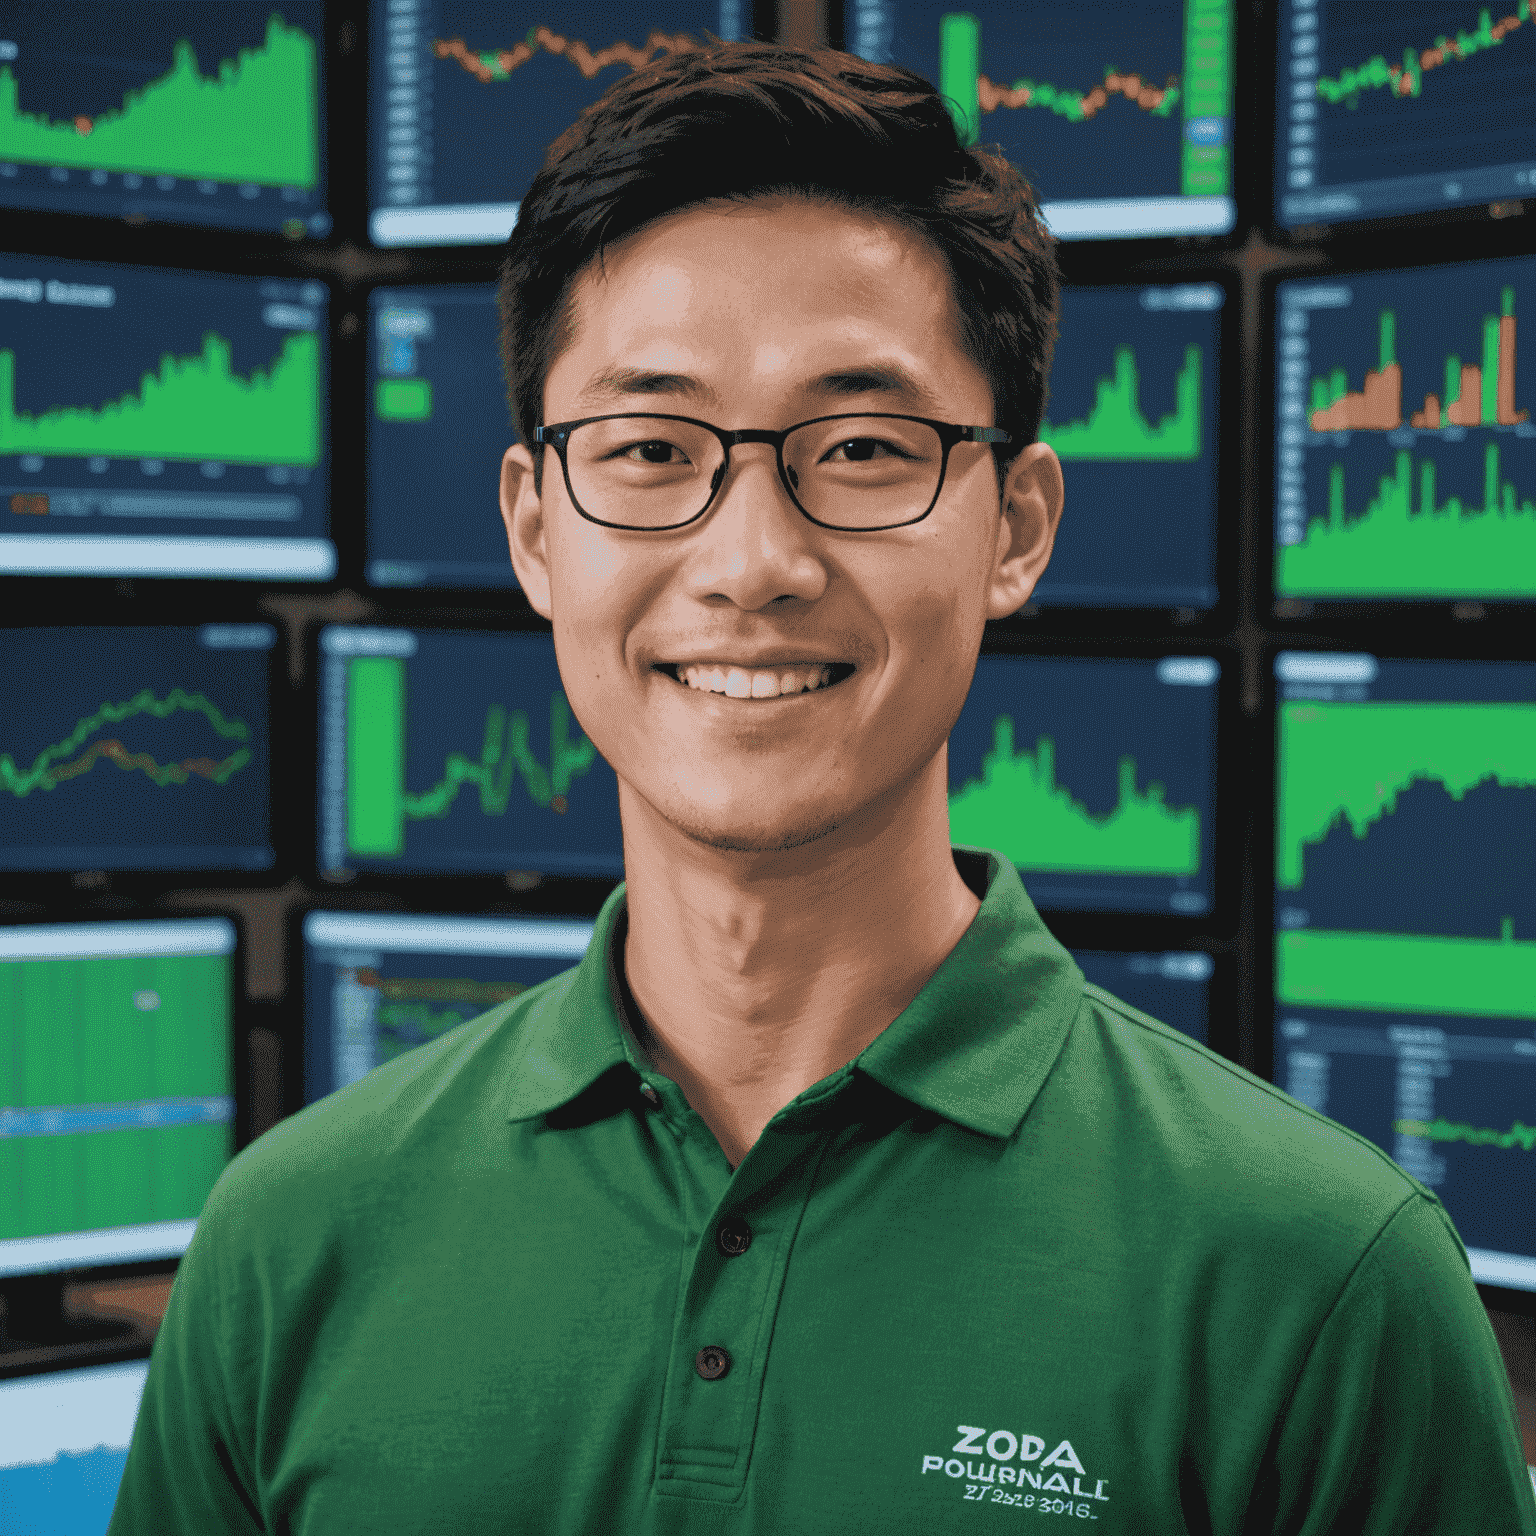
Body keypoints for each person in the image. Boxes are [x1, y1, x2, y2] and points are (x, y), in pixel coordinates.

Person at [109, 41, 1534, 1535]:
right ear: (536, 529)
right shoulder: (288, 1241)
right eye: (651, 448)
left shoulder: (1324, 1281)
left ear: (1016, 528)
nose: (754, 563)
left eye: (861, 448)